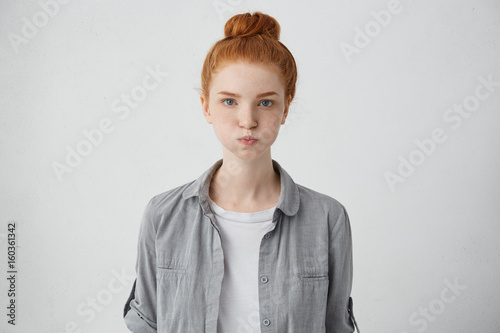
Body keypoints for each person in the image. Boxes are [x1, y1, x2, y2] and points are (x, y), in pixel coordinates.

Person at [123, 11, 359, 333]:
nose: (247, 120)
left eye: (265, 103)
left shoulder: (328, 219)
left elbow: (336, 327)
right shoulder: (163, 215)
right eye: (230, 101)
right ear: (206, 106)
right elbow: (146, 324)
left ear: (286, 107)